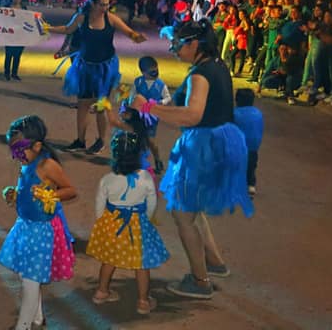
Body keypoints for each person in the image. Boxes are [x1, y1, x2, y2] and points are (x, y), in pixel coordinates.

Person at [126, 19, 253, 300]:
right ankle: (215, 262)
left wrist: (149, 107)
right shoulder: (216, 65)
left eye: (178, 44)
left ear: (195, 44)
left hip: (204, 146)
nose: (173, 49)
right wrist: (151, 107)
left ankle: (200, 281)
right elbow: (182, 107)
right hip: (219, 142)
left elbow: (192, 115)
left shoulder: (200, 75)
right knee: (194, 207)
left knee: (183, 214)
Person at [0, 115, 76, 330]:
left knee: (30, 282)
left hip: (42, 231)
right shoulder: (27, 162)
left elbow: (70, 190)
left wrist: (50, 196)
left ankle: (22, 327)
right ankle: (37, 319)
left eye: (19, 150)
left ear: (37, 145)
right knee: (27, 276)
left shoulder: (47, 165)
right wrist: (16, 194)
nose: (16, 156)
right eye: (13, 150)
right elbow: (27, 188)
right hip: (25, 226)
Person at [45, 0, 147, 154]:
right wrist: (48, 28)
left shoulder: (111, 18)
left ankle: (100, 141)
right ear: (92, 3)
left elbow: (129, 32)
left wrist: (137, 37)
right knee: (83, 105)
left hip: (105, 68)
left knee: (101, 105)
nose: (105, 8)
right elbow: (67, 29)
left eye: (107, 4)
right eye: (102, 4)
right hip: (85, 67)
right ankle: (80, 141)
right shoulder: (81, 18)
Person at [86, 129, 168, 314]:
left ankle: (101, 292)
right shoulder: (145, 178)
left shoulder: (107, 179)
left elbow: (99, 205)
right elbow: (151, 203)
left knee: (109, 260)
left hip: (113, 224)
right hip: (137, 226)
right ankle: (143, 301)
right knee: (141, 264)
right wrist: (146, 219)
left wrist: (102, 223)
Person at [233, 89, 264, 196]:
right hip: (253, 147)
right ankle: (251, 185)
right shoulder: (258, 113)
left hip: (238, 147)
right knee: (251, 166)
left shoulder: (235, 113)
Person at [4, 0, 27, 81]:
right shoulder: (7, 7)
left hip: (20, 35)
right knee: (8, 55)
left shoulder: (24, 8)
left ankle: (14, 73)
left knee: (17, 55)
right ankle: (7, 73)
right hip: (9, 35)